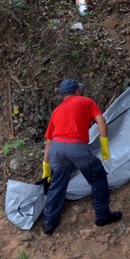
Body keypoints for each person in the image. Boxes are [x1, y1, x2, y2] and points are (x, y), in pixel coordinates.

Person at [40, 78, 122, 235]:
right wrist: (105, 146)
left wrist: (46, 167)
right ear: (77, 90)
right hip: (76, 147)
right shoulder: (86, 101)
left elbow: (49, 142)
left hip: (56, 149)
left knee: (57, 184)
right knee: (98, 177)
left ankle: (49, 223)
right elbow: (101, 122)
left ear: (63, 94)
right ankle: (103, 215)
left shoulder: (57, 110)